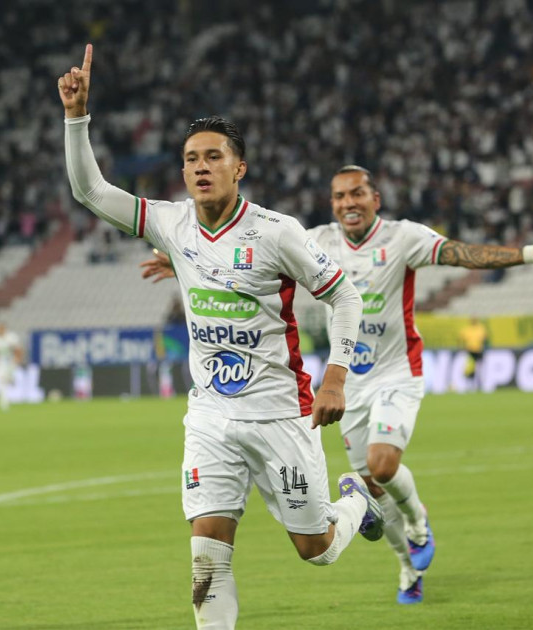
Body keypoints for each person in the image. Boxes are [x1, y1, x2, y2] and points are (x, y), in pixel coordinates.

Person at [143, 164, 533, 604]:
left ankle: (417, 522)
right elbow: (250, 254)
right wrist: (188, 258)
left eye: (356, 194)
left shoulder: (404, 237)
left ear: (376, 199)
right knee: (371, 485)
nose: (347, 203)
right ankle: (407, 567)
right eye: (338, 197)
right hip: (350, 381)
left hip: (396, 372)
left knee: (383, 464)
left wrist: (527, 255)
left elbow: (458, 254)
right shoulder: (316, 239)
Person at [60, 44, 383, 629]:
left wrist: (337, 374)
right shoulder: (171, 221)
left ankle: (353, 498)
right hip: (210, 416)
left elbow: (345, 294)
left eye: (214, 156)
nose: (201, 166)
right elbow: (91, 192)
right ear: (182, 171)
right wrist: (77, 118)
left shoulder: (276, 232)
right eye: (191, 159)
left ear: (240, 168)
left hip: (281, 414)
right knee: (206, 559)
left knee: (316, 550)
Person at [0, 322, 23, 412]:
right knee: (1, 380)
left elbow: (18, 349)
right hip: (1, 362)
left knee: (8, 379)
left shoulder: (11, 337)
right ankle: (3, 403)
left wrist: (18, 358)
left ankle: (11, 378)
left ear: (4, 329)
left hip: (11, 361)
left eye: (0, 329)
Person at [459, 316, 488, 392]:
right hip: (470, 351)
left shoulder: (480, 328)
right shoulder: (467, 329)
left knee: (479, 368)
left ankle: (479, 384)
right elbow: (461, 339)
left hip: (478, 351)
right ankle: (470, 385)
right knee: (470, 369)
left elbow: (485, 339)